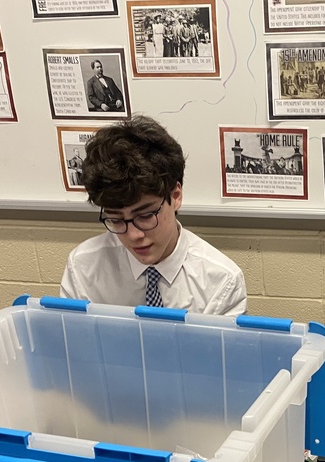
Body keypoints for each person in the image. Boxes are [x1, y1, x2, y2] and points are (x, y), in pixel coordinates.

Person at [61, 116, 247, 316]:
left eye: (145, 216)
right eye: (116, 219)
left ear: (175, 196)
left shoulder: (222, 282)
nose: (133, 236)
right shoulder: (84, 266)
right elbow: (73, 343)